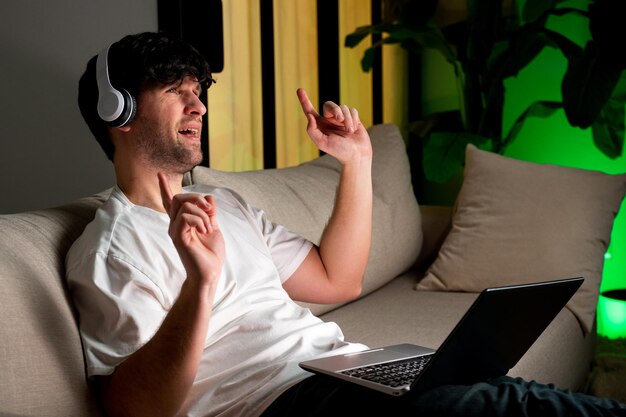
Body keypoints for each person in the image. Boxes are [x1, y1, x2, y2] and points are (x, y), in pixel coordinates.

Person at [66, 32, 626, 417]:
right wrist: (200, 283)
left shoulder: (226, 204)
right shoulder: (111, 247)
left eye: (199, 92)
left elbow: (338, 281)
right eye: (176, 92)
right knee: (496, 408)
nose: (199, 107)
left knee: (513, 395)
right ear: (119, 112)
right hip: (278, 403)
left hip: (344, 369)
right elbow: (138, 409)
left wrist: (356, 163)